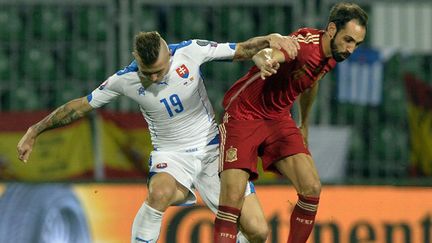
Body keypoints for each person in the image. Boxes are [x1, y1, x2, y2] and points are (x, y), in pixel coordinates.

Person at [17, 31, 300, 243]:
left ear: (168, 53)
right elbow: (78, 106)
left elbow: (241, 49)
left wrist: (271, 39)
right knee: (160, 192)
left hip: (214, 148)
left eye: (159, 71)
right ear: (136, 61)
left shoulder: (190, 52)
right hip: (171, 155)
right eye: (147, 73)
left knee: (258, 232)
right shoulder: (123, 80)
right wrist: (34, 130)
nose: (154, 78)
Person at [213, 2, 368, 243]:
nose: (351, 49)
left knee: (312, 189)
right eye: (348, 40)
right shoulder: (303, 47)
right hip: (244, 115)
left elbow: (311, 82)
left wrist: (304, 122)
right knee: (231, 203)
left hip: (278, 118)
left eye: (356, 44)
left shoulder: (332, 55)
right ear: (331, 29)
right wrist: (264, 59)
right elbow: (273, 53)